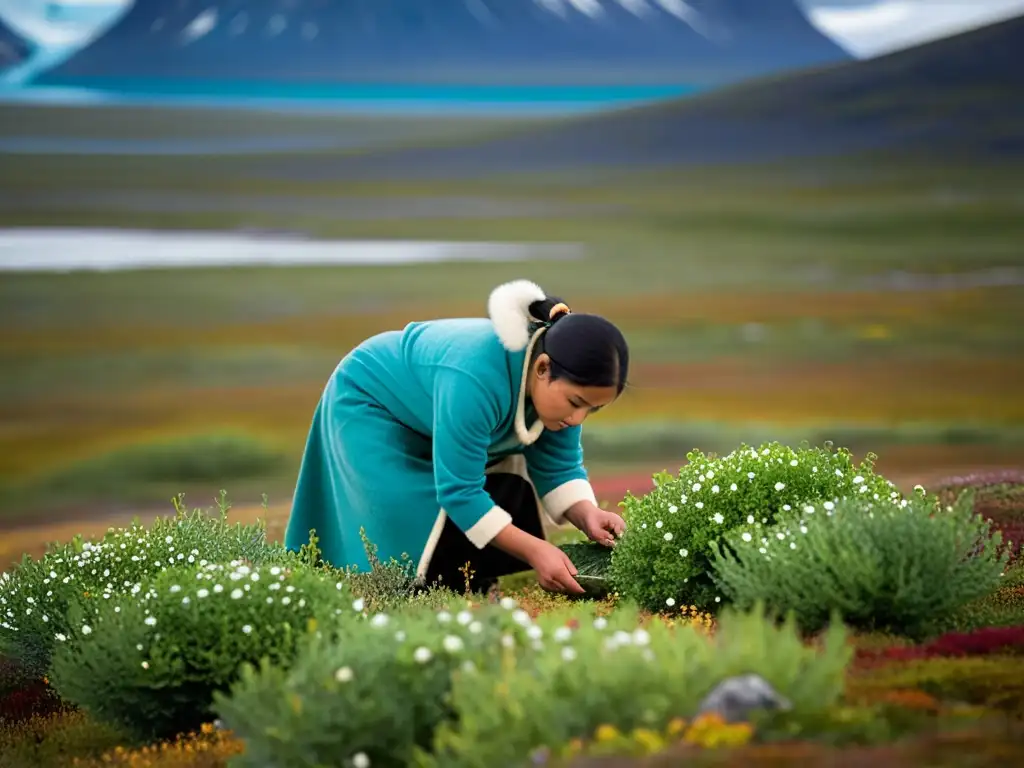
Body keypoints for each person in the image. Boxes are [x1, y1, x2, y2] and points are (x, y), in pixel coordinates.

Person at [283, 279, 629, 595]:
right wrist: (536, 551)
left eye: (592, 410)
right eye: (576, 403)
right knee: (397, 516)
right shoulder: (475, 376)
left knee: (491, 487)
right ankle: (394, 590)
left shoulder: (560, 392)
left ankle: (466, 579)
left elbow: (560, 466)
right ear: (542, 369)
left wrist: (588, 515)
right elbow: (459, 491)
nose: (577, 418)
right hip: (371, 401)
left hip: (430, 408)